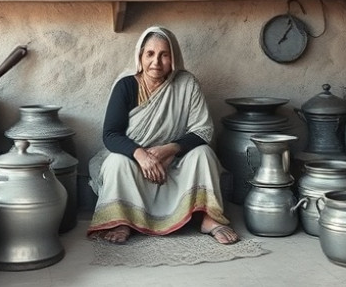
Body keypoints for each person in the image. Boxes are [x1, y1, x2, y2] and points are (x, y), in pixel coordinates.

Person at [87, 26, 239, 245]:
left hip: (173, 164)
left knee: (204, 154)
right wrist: (141, 155)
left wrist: (170, 149)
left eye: (164, 55)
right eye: (150, 54)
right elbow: (111, 134)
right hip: (135, 163)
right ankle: (122, 220)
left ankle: (208, 218)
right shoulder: (126, 85)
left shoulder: (186, 84)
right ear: (140, 56)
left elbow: (203, 131)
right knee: (115, 162)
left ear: (174, 58)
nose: (156, 62)